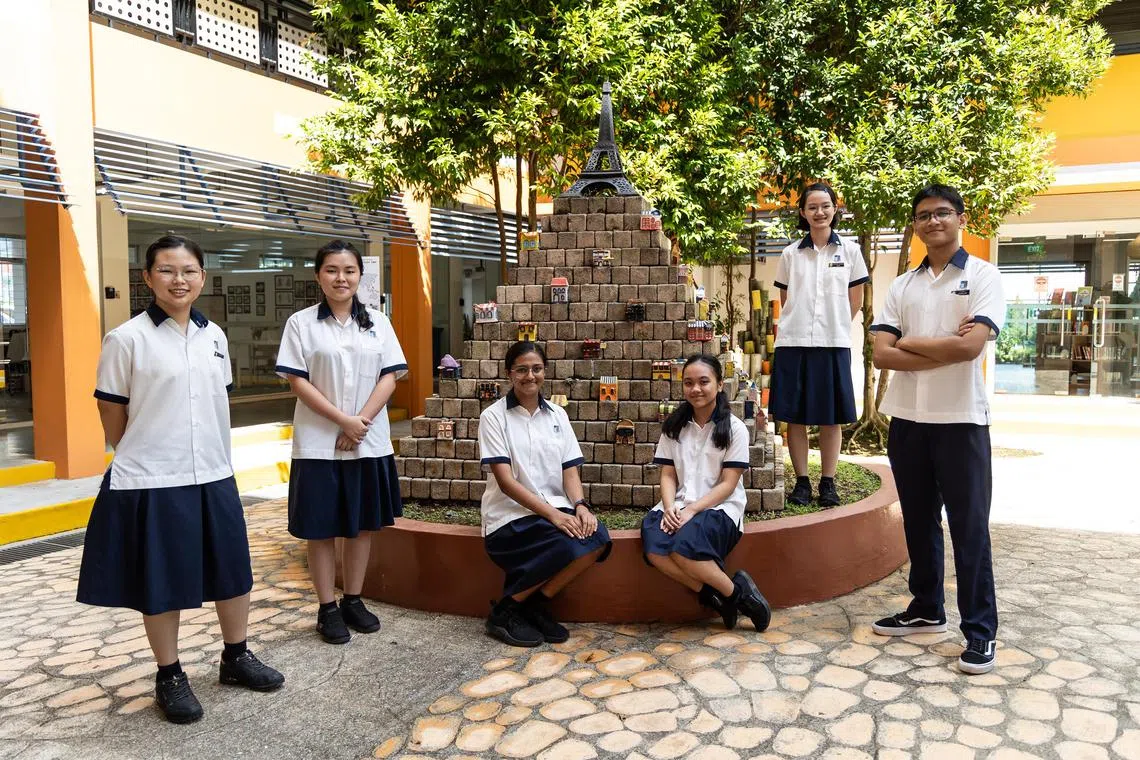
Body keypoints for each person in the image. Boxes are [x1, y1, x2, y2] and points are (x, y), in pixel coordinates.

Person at [77, 235, 284, 725]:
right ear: (147, 278)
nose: (179, 280)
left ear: (203, 278)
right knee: (161, 579)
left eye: (188, 271)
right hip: (153, 476)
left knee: (233, 571)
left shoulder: (215, 337)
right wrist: (141, 448)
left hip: (213, 470)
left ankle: (236, 656)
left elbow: (217, 401)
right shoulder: (126, 339)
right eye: (167, 271)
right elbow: (112, 410)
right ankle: (169, 674)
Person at [869, 184, 1006, 675]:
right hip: (907, 419)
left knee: (970, 530)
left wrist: (915, 344)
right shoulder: (903, 285)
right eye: (923, 215)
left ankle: (980, 632)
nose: (932, 221)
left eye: (942, 213)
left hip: (961, 421)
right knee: (918, 521)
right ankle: (926, 608)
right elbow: (881, 354)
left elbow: (972, 350)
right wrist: (944, 342)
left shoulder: (983, 276)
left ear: (960, 219)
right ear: (915, 225)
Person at [275, 240, 406, 645]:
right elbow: (298, 381)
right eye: (331, 270)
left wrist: (360, 423)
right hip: (319, 443)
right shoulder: (301, 324)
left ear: (359, 276)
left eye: (348, 270)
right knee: (321, 529)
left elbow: (391, 375)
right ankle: (326, 607)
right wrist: (343, 422)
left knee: (361, 527)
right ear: (318, 276)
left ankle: (353, 599)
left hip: (367, 441)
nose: (341, 278)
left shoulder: (378, 323)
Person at [478, 341, 611, 647]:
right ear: (510, 374)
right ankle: (505, 611)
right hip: (509, 518)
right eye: (522, 370)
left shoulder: (557, 416)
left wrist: (579, 505)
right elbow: (506, 481)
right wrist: (554, 516)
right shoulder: (494, 417)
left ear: (545, 372)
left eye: (536, 369)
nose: (530, 376)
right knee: (567, 544)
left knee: (597, 538)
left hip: (554, 512)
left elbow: (570, 470)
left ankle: (535, 604)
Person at [641, 354, 772, 632]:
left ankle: (736, 595)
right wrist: (669, 507)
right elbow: (667, 474)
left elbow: (727, 484)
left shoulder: (734, 428)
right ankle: (731, 595)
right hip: (678, 504)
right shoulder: (674, 427)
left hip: (719, 508)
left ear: (719, 384)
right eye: (689, 383)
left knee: (683, 549)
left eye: (704, 382)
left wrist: (691, 510)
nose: (696, 389)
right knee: (654, 548)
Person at [770, 182, 868, 507]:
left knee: (831, 417)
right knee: (794, 417)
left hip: (833, 342)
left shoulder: (851, 252)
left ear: (835, 208)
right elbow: (786, 299)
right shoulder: (789, 254)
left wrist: (834, 324)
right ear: (803, 213)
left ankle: (828, 482)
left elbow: (856, 299)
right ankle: (801, 482)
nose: (819, 212)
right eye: (812, 207)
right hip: (793, 342)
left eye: (825, 205)